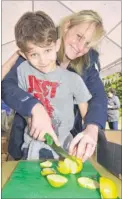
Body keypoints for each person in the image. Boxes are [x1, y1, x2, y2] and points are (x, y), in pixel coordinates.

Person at [2, 10, 107, 162]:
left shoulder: (88, 61)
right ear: (67, 26)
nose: (80, 47)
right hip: (24, 146)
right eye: (79, 37)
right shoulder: (40, 42)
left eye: (87, 44)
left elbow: (98, 97)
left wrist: (92, 127)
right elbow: (7, 86)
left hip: (64, 146)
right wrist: (34, 107)